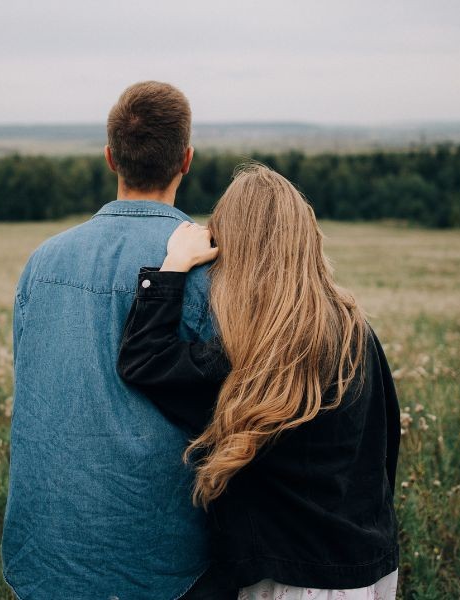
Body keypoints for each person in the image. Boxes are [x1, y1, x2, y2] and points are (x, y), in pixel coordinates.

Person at [118, 164, 401, 599]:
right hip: (369, 565)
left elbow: (144, 359)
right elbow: (386, 444)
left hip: (294, 577)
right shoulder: (355, 329)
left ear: (231, 251)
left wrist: (173, 267)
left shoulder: (252, 353)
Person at [2, 81, 217, 599]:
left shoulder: (43, 262)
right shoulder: (210, 266)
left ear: (110, 157)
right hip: (165, 558)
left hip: (45, 550)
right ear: (186, 160)